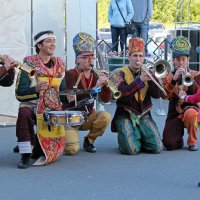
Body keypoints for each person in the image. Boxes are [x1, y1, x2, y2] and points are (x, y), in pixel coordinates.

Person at [15, 30, 67, 169]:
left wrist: (68, 96)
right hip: (32, 104)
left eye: (54, 41)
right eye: (49, 41)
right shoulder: (28, 65)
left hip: (52, 107)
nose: (53, 44)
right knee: (24, 113)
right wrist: (35, 89)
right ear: (39, 45)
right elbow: (20, 94)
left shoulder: (60, 65)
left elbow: (63, 90)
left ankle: (35, 144)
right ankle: (25, 154)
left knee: (39, 152)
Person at [110, 37, 163, 155]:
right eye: (134, 56)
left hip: (144, 115)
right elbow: (122, 95)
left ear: (144, 58)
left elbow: (158, 95)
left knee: (157, 148)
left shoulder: (148, 72)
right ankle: (130, 136)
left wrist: (152, 79)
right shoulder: (118, 73)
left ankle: (139, 134)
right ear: (129, 57)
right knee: (132, 150)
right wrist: (140, 80)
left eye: (140, 56)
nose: (137, 59)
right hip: (125, 114)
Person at [64, 32, 112, 155]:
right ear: (77, 59)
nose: (90, 61)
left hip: (87, 115)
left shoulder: (95, 74)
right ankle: (61, 137)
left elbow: (105, 100)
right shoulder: (70, 74)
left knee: (105, 117)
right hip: (71, 117)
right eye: (85, 58)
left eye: (91, 57)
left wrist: (106, 86)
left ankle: (89, 140)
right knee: (72, 150)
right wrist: (96, 87)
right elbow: (74, 98)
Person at [162, 36, 200, 151]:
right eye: (178, 60)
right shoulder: (168, 76)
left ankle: (192, 142)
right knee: (169, 144)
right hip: (174, 111)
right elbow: (165, 96)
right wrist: (174, 79)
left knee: (192, 114)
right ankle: (178, 137)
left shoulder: (196, 74)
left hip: (190, 107)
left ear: (188, 60)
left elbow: (197, 96)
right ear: (173, 60)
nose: (181, 63)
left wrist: (189, 80)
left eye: (183, 59)